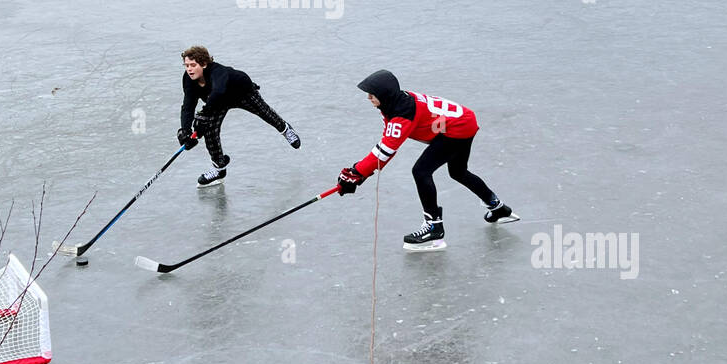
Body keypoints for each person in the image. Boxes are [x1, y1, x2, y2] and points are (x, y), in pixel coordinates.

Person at [336, 69, 516, 249]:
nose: (368, 97)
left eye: (371, 94)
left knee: (421, 171)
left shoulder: (402, 113)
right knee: (458, 172)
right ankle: (498, 208)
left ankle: (434, 228)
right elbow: (387, 142)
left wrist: (357, 172)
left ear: (384, 94)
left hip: (457, 129)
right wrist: (360, 173)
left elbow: (386, 150)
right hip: (463, 120)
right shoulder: (393, 103)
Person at [177, 45, 301, 185]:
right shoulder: (188, 79)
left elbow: (218, 91)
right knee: (209, 131)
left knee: (265, 113)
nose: (189, 69)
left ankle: (285, 129)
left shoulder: (217, 71)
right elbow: (188, 105)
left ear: (204, 64)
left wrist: (204, 115)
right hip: (218, 102)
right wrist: (185, 131)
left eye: (193, 65)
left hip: (241, 92)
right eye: (186, 65)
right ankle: (219, 168)